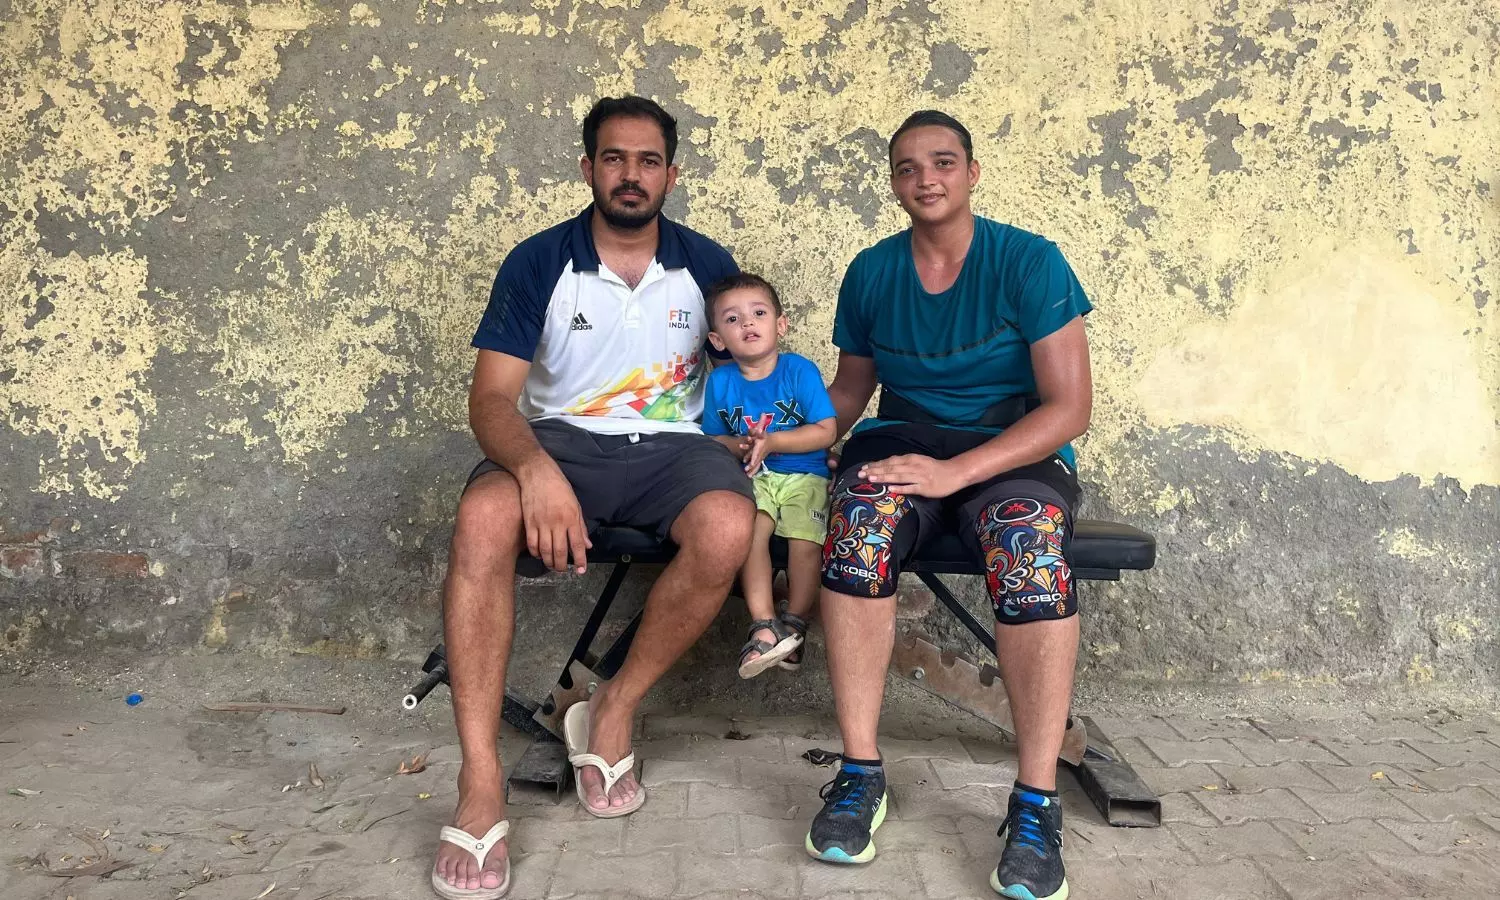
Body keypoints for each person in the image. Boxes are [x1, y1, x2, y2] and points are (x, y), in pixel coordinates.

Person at [430, 96, 756, 900]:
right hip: (561, 443)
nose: (632, 175)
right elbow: (492, 401)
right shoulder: (539, 261)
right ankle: (479, 782)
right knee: (481, 516)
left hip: (672, 451)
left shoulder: (708, 264)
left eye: (648, 161)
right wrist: (537, 473)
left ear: (671, 175)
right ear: (588, 169)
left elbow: (751, 360)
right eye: (614, 158)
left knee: (727, 525)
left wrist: (751, 433)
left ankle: (613, 708)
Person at [804, 110, 1094, 900]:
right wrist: (788, 438)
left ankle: (1036, 807)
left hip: (1013, 451)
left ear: (972, 172)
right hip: (902, 441)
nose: (925, 178)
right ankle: (860, 774)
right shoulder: (870, 271)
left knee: (1029, 553)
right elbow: (852, 391)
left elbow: (1068, 409)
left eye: (942, 162)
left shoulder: (1029, 263)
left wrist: (956, 470)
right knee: (858, 530)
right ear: (893, 183)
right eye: (906, 167)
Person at [699, 273, 838, 679]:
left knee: (804, 541)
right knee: (750, 536)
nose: (747, 324)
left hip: (803, 477)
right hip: (753, 476)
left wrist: (773, 442)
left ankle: (794, 621)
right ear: (718, 340)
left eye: (758, 313)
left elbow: (826, 430)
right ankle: (763, 625)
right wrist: (741, 445)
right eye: (733, 319)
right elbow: (714, 437)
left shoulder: (798, 371)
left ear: (780, 325)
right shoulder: (721, 382)